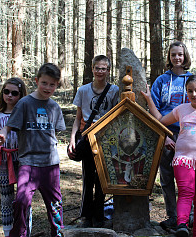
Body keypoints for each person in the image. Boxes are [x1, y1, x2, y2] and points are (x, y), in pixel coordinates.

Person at [142, 74, 196, 237]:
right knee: (186, 192)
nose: (194, 94)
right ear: (186, 93)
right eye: (190, 91)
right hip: (183, 159)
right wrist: (149, 99)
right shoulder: (181, 110)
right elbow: (160, 119)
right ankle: (182, 225)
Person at [0, 63, 66, 237]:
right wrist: (3, 134)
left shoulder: (55, 107)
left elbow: (54, 131)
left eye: (52, 84)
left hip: (50, 164)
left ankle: (58, 233)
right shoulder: (24, 103)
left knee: (55, 204)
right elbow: (10, 126)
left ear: (57, 85)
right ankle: (19, 233)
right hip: (28, 163)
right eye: (44, 83)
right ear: (36, 81)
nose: (48, 88)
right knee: (21, 201)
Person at [67, 55, 119, 228]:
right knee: (88, 177)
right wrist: (72, 139)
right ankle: (86, 216)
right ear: (92, 69)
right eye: (97, 68)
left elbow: (115, 116)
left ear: (108, 71)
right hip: (87, 136)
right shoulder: (83, 90)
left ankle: (99, 215)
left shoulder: (114, 91)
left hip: (105, 139)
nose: (100, 72)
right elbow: (78, 118)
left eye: (104, 68)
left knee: (102, 178)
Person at [149, 41, 193, 230]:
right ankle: (173, 216)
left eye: (180, 54)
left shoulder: (192, 79)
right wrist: (163, 135)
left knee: (187, 176)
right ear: (169, 57)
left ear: (185, 57)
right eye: (173, 54)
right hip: (166, 133)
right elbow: (154, 109)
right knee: (167, 176)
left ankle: (188, 215)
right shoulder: (161, 80)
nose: (177, 58)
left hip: (188, 134)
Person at [0, 77, 32, 237]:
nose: (10, 96)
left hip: (22, 160)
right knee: (6, 197)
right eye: (6, 92)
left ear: (21, 95)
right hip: (3, 161)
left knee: (24, 197)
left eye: (15, 93)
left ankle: (24, 230)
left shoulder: (25, 114)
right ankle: (8, 232)